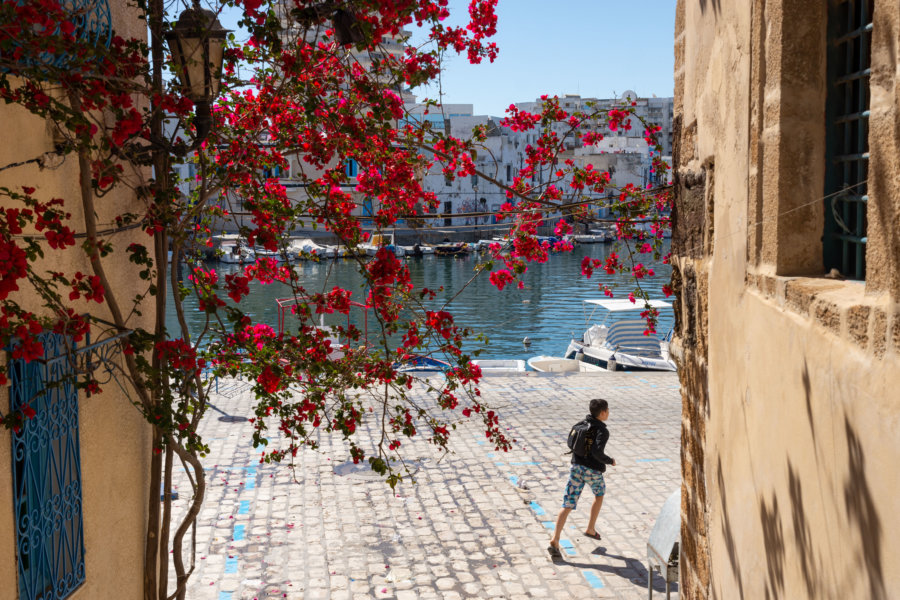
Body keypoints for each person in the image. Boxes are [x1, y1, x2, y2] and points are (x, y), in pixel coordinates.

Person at [548, 398, 616, 559]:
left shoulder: (580, 424)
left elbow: (571, 443)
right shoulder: (602, 431)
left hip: (576, 468)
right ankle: (590, 528)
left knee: (568, 504)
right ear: (603, 412)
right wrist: (610, 461)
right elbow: (597, 453)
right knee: (599, 494)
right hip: (592, 471)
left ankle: (555, 538)